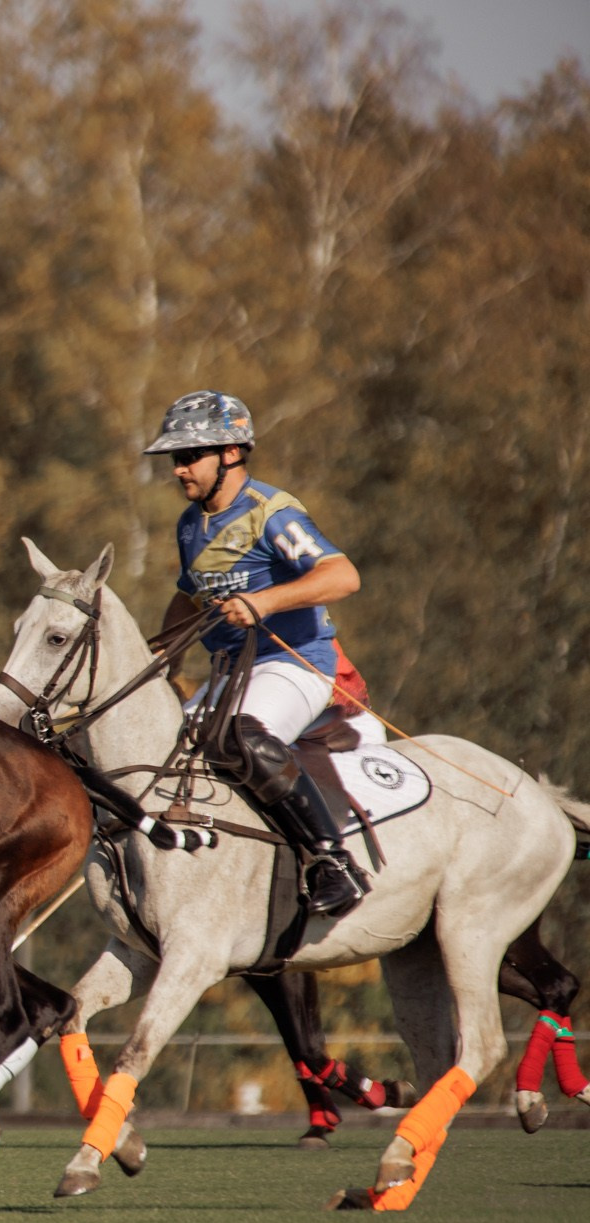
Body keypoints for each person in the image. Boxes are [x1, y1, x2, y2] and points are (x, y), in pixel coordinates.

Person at [144, 390, 370, 917]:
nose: (179, 471)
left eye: (188, 457)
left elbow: (343, 575)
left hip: (297, 663)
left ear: (230, 454)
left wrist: (264, 600)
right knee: (168, 754)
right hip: (230, 671)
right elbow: (188, 593)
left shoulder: (272, 512)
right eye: (175, 460)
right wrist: (165, 653)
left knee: (241, 737)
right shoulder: (190, 524)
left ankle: (333, 862)